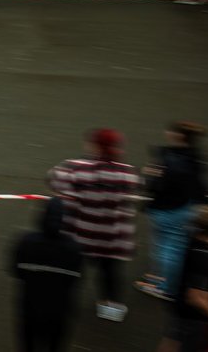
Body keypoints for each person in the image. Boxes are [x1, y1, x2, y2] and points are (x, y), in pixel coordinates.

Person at [48, 129, 141, 322]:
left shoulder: (75, 168)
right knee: (110, 273)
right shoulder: (127, 173)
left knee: (71, 272)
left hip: (80, 234)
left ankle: (64, 305)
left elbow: (53, 180)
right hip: (112, 237)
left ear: (95, 146)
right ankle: (111, 309)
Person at [137, 122, 208, 301]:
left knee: (168, 249)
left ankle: (168, 288)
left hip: (170, 210)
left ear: (179, 136)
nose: (167, 133)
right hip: (187, 207)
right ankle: (166, 278)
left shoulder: (172, 159)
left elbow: (159, 185)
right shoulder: (194, 155)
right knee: (173, 247)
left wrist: (150, 177)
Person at [11, 197, 83, 352]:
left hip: (30, 308)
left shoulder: (26, 242)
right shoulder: (73, 248)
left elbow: (16, 272)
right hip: (59, 312)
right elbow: (76, 280)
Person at [157, 205, 208, 352]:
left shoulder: (194, 242)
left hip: (180, 310)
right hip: (195, 320)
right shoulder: (206, 255)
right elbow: (196, 298)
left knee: (169, 345)